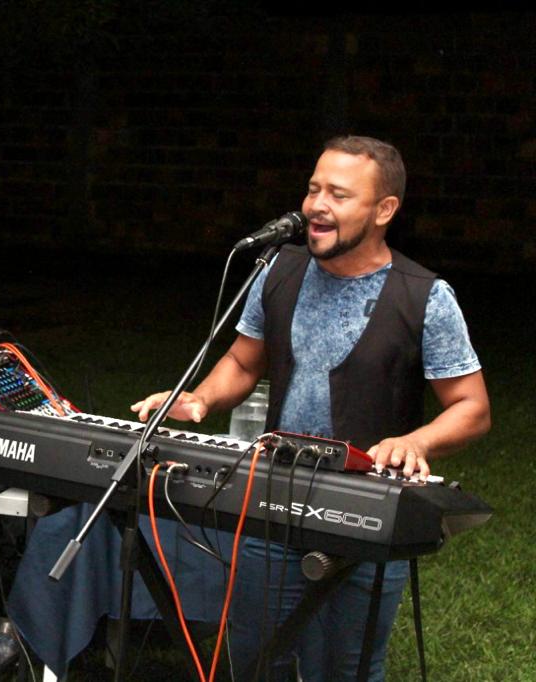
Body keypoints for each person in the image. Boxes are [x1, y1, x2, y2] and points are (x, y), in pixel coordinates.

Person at [130, 135, 490, 681]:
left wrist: (416, 441)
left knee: (345, 668)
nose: (317, 205)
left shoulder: (425, 297)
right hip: (272, 499)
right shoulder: (278, 270)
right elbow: (244, 362)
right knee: (254, 660)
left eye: (339, 195)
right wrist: (201, 397)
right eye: (313, 188)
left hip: (366, 513)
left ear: (384, 210)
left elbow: (472, 407)